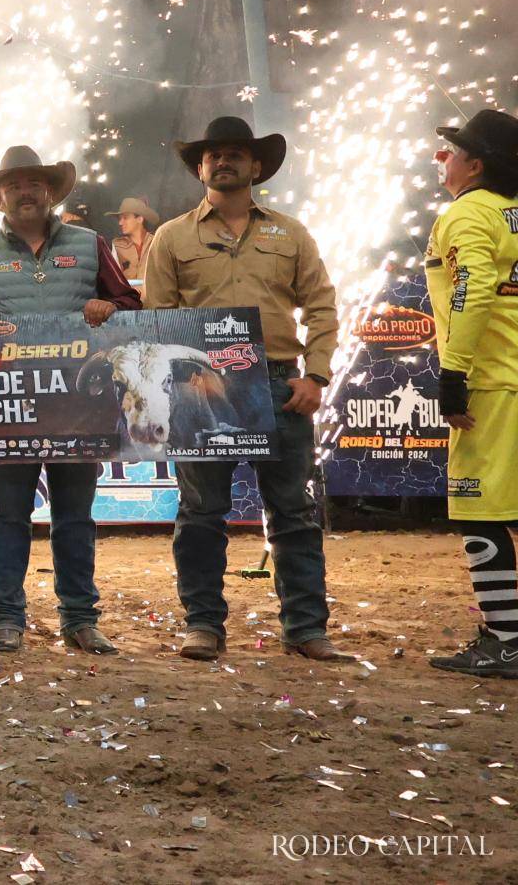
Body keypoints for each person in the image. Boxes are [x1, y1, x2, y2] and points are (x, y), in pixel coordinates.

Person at [141, 117, 346, 664]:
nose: (223, 161)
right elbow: (157, 320)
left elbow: (322, 305)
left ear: (256, 166)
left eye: (236, 153)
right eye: (213, 155)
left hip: (281, 384)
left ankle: (305, 628)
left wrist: (316, 376)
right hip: (198, 388)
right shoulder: (171, 237)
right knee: (201, 512)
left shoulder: (292, 233)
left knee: (294, 514)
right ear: (201, 167)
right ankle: (202, 625)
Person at [0, 145, 140, 656]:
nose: (25, 192)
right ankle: (6, 616)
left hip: (81, 404)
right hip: (8, 406)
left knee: (75, 514)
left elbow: (132, 305)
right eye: (14, 185)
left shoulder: (92, 244)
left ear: (51, 191)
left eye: (34, 183)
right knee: (8, 515)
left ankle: (79, 617)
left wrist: (109, 304)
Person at [422, 109, 518, 677]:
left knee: (479, 513)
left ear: (475, 165)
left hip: (491, 383)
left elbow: (473, 290)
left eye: (450, 151)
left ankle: (505, 639)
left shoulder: (468, 213)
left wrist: (453, 373)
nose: (442, 158)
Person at [106, 197, 160, 283]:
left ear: (139, 219)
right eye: (120, 219)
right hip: (127, 295)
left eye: (125, 218)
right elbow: (113, 279)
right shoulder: (116, 246)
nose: (120, 222)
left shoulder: (157, 243)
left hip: (154, 294)